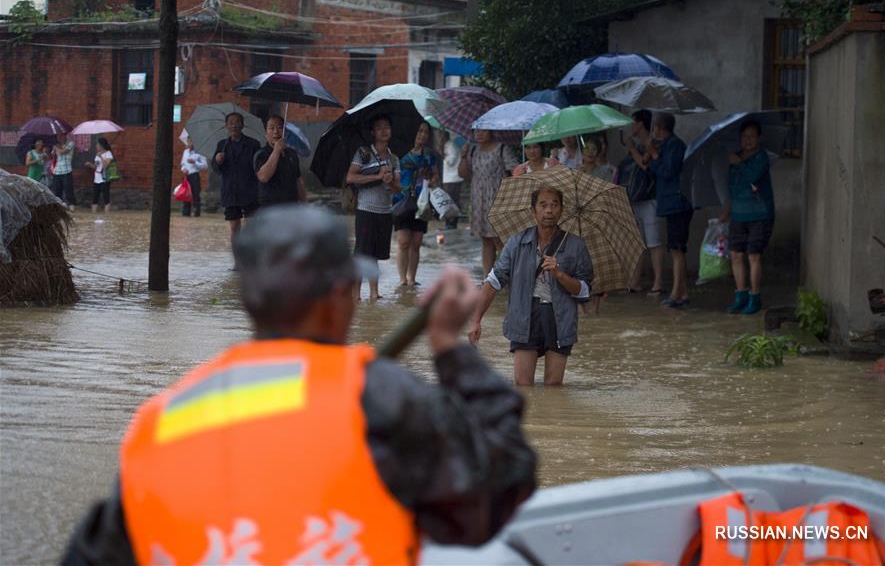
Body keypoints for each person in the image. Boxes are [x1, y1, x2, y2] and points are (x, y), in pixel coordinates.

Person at [61, 205, 537, 566]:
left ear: (248, 299)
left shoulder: (156, 424)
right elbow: (501, 485)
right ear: (337, 298)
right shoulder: (381, 398)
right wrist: (449, 347)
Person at [468, 186, 594, 386]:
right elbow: (494, 281)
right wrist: (476, 320)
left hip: (559, 318)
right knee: (523, 385)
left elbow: (584, 290)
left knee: (553, 387)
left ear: (561, 210)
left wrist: (559, 274)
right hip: (524, 315)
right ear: (533, 210)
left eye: (554, 205)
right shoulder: (517, 242)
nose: (549, 210)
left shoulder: (575, 245)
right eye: (543, 205)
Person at [635, 113, 692, 308]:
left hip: (678, 203)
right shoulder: (664, 146)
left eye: (654, 129)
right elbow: (652, 170)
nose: (653, 133)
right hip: (669, 203)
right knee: (675, 249)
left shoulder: (675, 145)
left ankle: (676, 293)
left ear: (659, 129)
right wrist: (649, 155)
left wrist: (656, 155)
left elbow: (669, 172)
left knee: (677, 250)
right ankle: (682, 292)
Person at [721, 120, 775, 315]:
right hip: (738, 213)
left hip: (760, 213)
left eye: (752, 136)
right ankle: (740, 295)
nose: (748, 140)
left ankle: (755, 297)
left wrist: (740, 163)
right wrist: (726, 211)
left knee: (753, 255)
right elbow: (733, 187)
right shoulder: (735, 159)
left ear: (758, 138)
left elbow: (752, 176)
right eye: (744, 136)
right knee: (735, 254)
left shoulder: (762, 157)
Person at [345, 114, 397, 301]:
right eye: (379, 127)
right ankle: (356, 294)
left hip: (385, 211)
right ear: (373, 132)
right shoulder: (363, 153)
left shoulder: (394, 158)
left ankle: (375, 293)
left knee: (374, 253)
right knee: (361, 252)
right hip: (366, 210)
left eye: (387, 127)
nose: (384, 130)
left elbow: (398, 188)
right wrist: (376, 177)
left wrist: (390, 181)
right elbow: (350, 178)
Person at [459, 129, 518, 279]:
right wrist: (463, 156)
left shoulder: (502, 148)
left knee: (499, 239)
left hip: (498, 198)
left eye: (483, 130)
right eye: (476, 131)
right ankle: (488, 278)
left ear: (491, 131)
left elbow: (515, 171)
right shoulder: (473, 150)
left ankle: (509, 276)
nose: (479, 134)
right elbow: (464, 174)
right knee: (486, 239)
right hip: (479, 200)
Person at [621, 110, 664, 295]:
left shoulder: (653, 143)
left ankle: (658, 282)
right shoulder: (638, 144)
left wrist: (632, 149)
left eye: (634, 122)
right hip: (635, 197)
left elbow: (645, 166)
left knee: (653, 241)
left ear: (641, 124)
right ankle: (635, 281)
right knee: (637, 241)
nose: (632, 126)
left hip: (650, 197)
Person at [212, 112, 261, 265]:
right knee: (234, 228)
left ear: (243, 125)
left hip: (250, 191)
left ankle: (251, 258)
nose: (234, 125)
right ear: (226, 126)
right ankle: (237, 261)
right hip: (230, 191)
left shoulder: (254, 144)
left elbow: (258, 167)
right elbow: (216, 169)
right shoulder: (222, 145)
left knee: (251, 226)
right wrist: (218, 161)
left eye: (237, 122)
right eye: (231, 122)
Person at [393, 121, 437, 286]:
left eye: (426, 132)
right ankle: (402, 279)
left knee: (416, 242)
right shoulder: (400, 153)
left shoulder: (429, 155)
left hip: (421, 201)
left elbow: (436, 176)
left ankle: (412, 278)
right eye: (420, 131)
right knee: (404, 241)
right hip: (401, 200)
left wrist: (431, 181)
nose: (423, 135)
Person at [253, 115, 307, 208]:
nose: (276, 132)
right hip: (270, 207)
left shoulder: (292, 154)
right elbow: (263, 177)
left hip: (291, 205)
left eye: (280, 128)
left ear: (285, 132)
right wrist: (276, 151)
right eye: (271, 128)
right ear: (266, 133)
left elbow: (298, 180)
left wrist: (304, 202)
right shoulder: (261, 154)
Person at [437, 128, 463, 229]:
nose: (439, 138)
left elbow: (451, 161)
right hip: (446, 178)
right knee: (447, 201)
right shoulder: (445, 146)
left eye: (440, 135)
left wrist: (443, 155)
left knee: (452, 201)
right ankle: (448, 222)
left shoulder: (451, 145)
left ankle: (452, 222)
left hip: (453, 178)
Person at [84, 137, 115, 213]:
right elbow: (96, 166)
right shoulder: (97, 155)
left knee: (106, 197)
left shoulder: (108, 154)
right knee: (95, 197)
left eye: (97, 144)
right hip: (96, 178)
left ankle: (107, 214)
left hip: (104, 178)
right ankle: (93, 213)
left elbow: (105, 165)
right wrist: (89, 164)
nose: (96, 146)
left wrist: (101, 156)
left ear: (101, 145)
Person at [180, 136, 207, 217]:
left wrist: (195, 162)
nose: (190, 143)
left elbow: (205, 166)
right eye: (188, 141)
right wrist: (183, 169)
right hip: (186, 176)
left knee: (195, 193)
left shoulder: (199, 153)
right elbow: (182, 164)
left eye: (191, 141)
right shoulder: (185, 152)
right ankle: (186, 212)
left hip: (194, 175)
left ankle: (196, 211)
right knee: (186, 193)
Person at [52, 132, 77, 210]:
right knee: (57, 190)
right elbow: (53, 155)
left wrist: (56, 148)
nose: (59, 138)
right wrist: (53, 150)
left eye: (61, 136)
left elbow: (62, 151)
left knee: (69, 190)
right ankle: (59, 207)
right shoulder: (58, 145)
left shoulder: (71, 143)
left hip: (67, 170)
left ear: (65, 135)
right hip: (57, 171)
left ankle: (72, 206)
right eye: (58, 136)